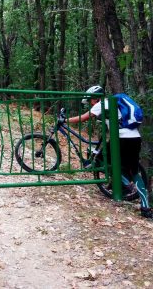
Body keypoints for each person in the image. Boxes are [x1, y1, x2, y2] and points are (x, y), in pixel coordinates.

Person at [65, 85, 152, 220]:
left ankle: (125, 185)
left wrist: (65, 120)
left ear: (94, 98)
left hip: (121, 138)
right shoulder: (112, 103)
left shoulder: (101, 104)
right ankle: (145, 207)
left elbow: (83, 118)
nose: (90, 103)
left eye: (90, 100)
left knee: (101, 160)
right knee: (134, 171)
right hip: (135, 137)